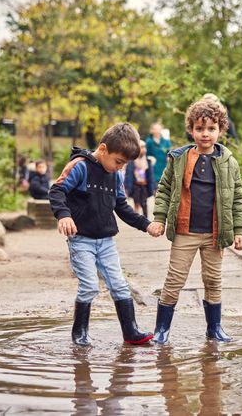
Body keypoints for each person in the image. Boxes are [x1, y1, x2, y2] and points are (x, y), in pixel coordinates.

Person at [49, 123, 162, 347]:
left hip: (106, 241)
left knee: (120, 284)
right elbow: (57, 190)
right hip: (81, 240)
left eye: (125, 164)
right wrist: (64, 215)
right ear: (103, 149)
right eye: (118, 162)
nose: (121, 168)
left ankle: (131, 331)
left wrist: (146, 224)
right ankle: (79, 332)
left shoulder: (116, 176)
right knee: (90, 285)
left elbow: (122, 207)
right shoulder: (79, 167)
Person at [149, 98, 242, 344]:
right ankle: (162, 330)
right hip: (185, 231)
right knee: (174, 280)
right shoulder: (178, 158)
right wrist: (159, 218)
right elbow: (164, 189)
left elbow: (237, 198)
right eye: (200, 128)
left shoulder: (229, 162)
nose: (205, 134)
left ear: (220, 130)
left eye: (211, 129)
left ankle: (214, 328)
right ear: (191, 129)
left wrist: (238, 230)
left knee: (213, 280)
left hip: (215, 234)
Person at [124, 140, 156, 218]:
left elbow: (151, 175)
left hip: (144, 185)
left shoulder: (147, 161)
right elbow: (128, 175)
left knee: (144, 203)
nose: (143, 149)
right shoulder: (131, 162)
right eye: (141, 147)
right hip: (136, 185)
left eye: (144, 147)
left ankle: (146, 219)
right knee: (136, 203)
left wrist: (153, 187)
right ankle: (136, 219)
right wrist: (127, 187)